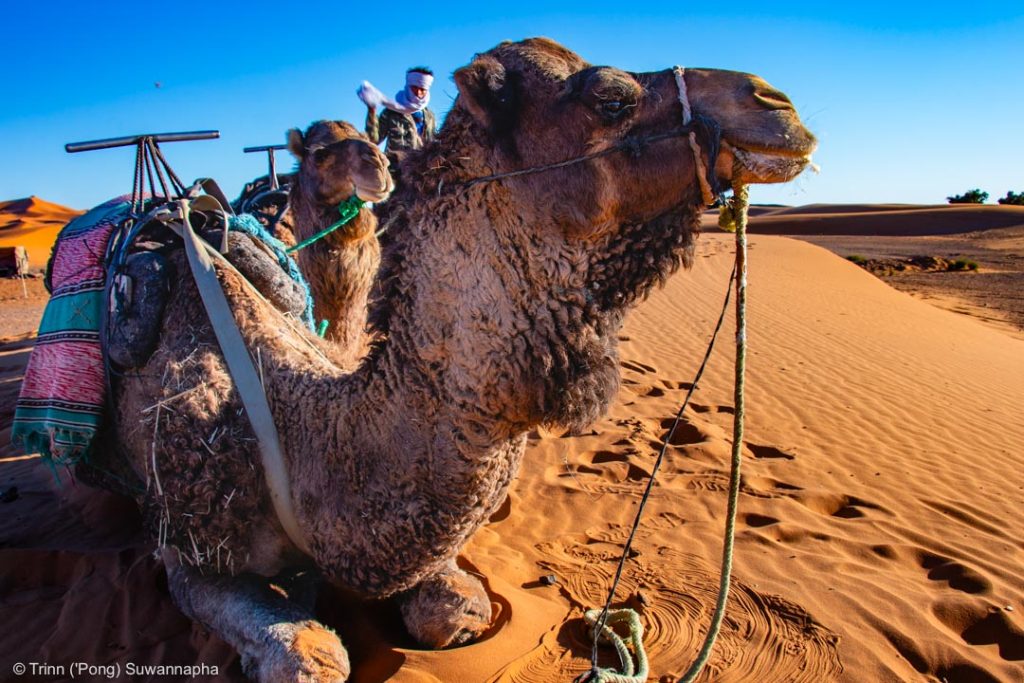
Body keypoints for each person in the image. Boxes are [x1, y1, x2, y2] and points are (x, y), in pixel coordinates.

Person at [358, 67, 437, 153]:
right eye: (415, 88)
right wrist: (372, 110)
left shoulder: (429, 116)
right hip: (394, 164)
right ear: (408, 86)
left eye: (422, 89)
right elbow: (373, 140)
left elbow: (432, 145)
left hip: (421, 164)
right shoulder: (390, 112)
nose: (418, 93)